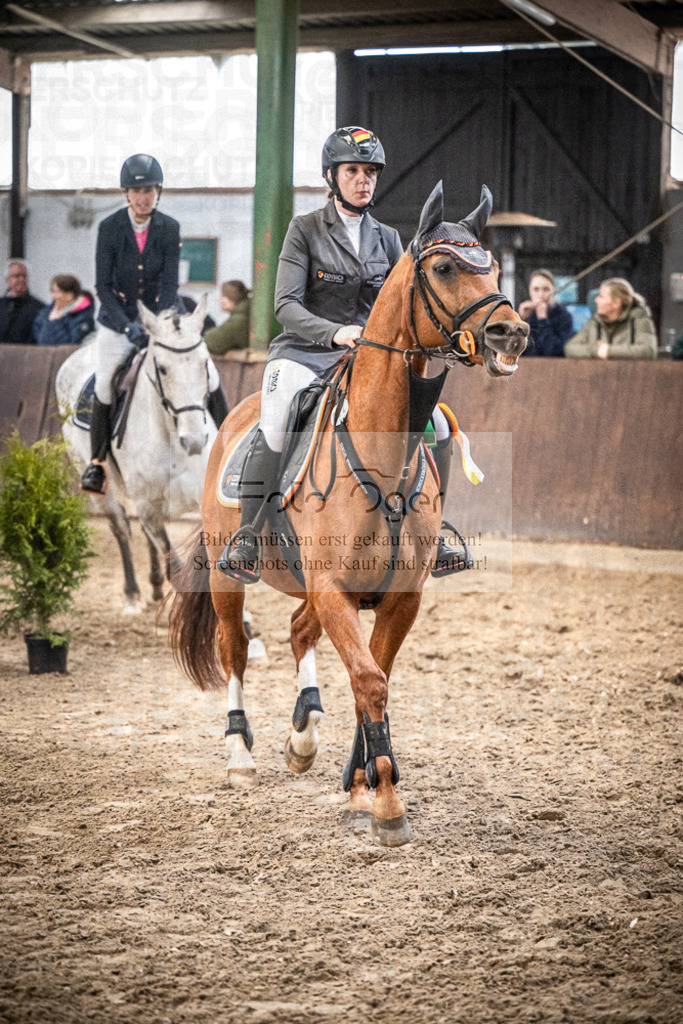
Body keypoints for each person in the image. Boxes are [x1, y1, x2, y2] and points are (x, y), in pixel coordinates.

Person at [219, 125, 461, 584]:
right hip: (304, 354)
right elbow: (285, 306)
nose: (363, 180)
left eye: (370, 172)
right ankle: (248, 534)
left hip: (367, 362)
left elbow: (404, 305)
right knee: (275, 421)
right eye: (353, 171)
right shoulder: (304, 229)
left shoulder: (390, 239)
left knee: (440, 424)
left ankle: (438, 529)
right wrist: (334, 333)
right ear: (332, 176)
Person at [80, 154, 228, 494]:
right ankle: (97, 463)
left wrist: (159, 325)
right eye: (136, 191)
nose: (143, 197)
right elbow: (103, 287)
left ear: (157, 191)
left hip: (161, 319)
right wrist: (128, 326)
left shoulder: (169, 227)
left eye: (148, 190)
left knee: (211, 372)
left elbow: (168, 284)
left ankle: (230, 448)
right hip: (117, 321)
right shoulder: (110, 228)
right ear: (126, 193)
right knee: (104, 383)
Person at [564, 278, 657, 360]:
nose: (596, 300)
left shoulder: (639, 319)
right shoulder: (594, 321)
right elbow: (570, 348)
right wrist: (596, 351)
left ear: (616, 303)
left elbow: (648, 350)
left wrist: (609, 351)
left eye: (601, 296)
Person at [518, 268, 573, 357]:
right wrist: (520, 320)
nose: (540, 295)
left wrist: (542, 319)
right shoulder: (526, 313)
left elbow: (553, 352)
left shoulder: (564, 316)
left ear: (553, 291)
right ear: (530, 291)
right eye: (536, 289)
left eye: (546, 289)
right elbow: (516, 351)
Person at [32, 274, 95, 346]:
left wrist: (55, 322)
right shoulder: (45, 312)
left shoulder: (83, 317)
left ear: (69, 295)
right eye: (52, 291)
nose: (53, 296)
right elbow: (42, 342)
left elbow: (70, 344)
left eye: (56, 292)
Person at [0, 259, 45, 345]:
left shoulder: (39, 307)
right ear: (8, 279)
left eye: (24, 276)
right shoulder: (1, 305)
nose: (21, 279)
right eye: (17, 276)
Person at [204, 280, 251, 355]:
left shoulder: (238, 320)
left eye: (223, 296)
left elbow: (213, 342)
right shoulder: (243, 315)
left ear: (233, 297)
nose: (220, 300)